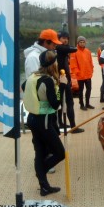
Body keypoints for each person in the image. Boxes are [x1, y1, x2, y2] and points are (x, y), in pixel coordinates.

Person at [22, 50, 67, 196]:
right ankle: (41, 172)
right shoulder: (47, 80)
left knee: (40, 152)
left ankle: (44, 187)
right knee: (60, 153)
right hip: (44, 121)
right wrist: (62, 86)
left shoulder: (33, 76)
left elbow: (23, 86)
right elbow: (55, 104)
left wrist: (38, 96)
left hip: (32, 119)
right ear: (53, 63)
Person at [23, 28, 61, 173]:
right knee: (42, 137)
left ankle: (45, 162)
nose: (55, 47)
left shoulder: (44, 54)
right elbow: (35, 81)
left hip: (48, 105)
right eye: (53, 44)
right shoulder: (34, 57)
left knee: (50, 133)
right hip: (41, 107)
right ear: (46, 42)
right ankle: (44, 164)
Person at [56, 31, 84, 134]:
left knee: (63, 103)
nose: (66, 40)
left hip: (64, 79)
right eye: (63, 38)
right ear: (58, 39)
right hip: (61, 81)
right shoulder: (59, 47)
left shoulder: (60, 48)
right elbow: (74, 49)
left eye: (67, 38)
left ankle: (61, 123)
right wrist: (68, 46)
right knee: (68, 103)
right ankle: (72, 127)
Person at [70, 36, 94, 110]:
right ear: (78, 43)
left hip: (88, 74)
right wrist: (78, 72)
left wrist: (91, 69)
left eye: (83, 42)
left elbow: (90, 62)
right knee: (81, 90)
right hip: (80, 75)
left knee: (89, 89)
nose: (82, 43)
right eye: (81, 42)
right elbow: (73, 64)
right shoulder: (74, 52)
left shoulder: (88, 51)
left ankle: (87, 103)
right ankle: (81, 104)